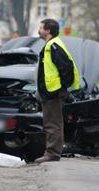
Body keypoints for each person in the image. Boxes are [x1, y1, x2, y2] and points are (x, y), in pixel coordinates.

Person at [34, 18, 80, 163]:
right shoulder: (51, 45)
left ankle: (52, 154)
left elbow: (66, 68)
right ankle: (52, 152)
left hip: (53, 92)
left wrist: (60, 87)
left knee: (52, 124)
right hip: (50, 92)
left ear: (48, 30)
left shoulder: (53, 46)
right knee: (52, 122)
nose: (39, 30)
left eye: (41, 28)